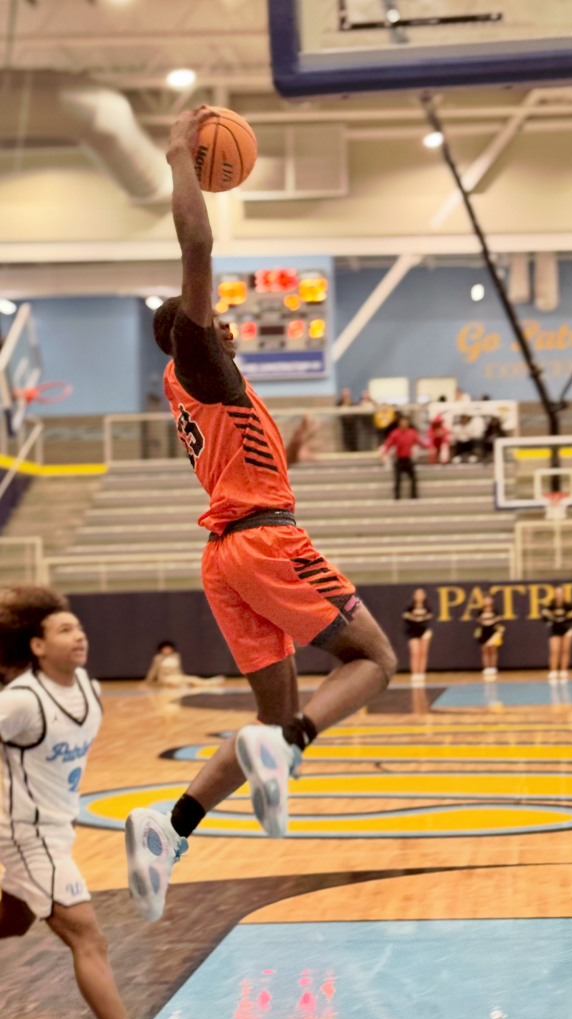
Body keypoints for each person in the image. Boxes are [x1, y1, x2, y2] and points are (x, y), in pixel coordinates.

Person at [125, 107, 397, 924]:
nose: (227, 324)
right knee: (376, 659)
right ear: (193, 333)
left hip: (227, 555)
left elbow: (242, 467)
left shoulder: (206, 394)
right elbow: (197, 247)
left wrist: (292, 457)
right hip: (264, 543)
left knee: (272, 714)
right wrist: (179, 156)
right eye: (214, 319)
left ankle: (169, 825)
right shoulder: (201, 362)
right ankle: (290, 748)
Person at [0, 587, 132, 1019]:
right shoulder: (22, 700)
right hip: (27, 835)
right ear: (37, 646)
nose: (79, 636)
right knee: (89, 938)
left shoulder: (90, 690)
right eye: (63, 630)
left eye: (78, 627)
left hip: (59, 829)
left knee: (14, 920)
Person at [381, 415, 428, 500]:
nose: (404, 424)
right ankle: (397, 497)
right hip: (399, 460)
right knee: (397, 480)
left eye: (405, 422)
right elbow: (388, 444)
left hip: (408, 459)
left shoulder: (412, 433)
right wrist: (384, 452)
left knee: (414, 479)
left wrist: (430, 446)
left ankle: (414, 496)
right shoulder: (395, 433)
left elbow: (421, 443)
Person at [143, 640, 224, 689]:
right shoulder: (158, 658)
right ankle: (190, 685)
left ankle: (207, 682)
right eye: (165, 649)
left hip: (178, 675)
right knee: (177, 682)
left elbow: (179, 669)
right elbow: (153, 669)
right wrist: (148, 681)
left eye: (169, 648)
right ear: (161, 650)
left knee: (191, 678)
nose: (167, 650)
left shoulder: (176, 656)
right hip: (166, 678)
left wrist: (182, 676)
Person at [541, 586, 572, 683]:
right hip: (555, 630)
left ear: (563, 594)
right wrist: (546, 615)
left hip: (567, 630)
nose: (559, 595)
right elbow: (544, 617)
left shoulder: (568, 605)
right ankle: (553, 671)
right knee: (554, 651)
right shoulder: (551, 605)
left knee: (565, 650)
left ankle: (564, 671)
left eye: (561, 593)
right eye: (557, 593)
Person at [402, 589, 432, 686]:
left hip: (424, 632)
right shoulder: (409, 608)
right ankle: (414, 674)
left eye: (421, 594)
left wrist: (428, 631)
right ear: (414, 596)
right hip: (413, 632)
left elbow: (429, 621)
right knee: (415, 652)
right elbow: (407, 620)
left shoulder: (427, 608)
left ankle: (421, 674)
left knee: (423, 653)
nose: (420, 596)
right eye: (418, 594)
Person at [475, 594, 504, 682]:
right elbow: (479, 620)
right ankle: (486, 667)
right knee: (485, 649)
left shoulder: (495, 611)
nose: (487, 601)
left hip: (493, 632)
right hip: (484, 632)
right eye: (486, 599)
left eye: (489, 599)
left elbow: (498, 619)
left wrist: (491, 621)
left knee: (493, 649)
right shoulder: (480, 611)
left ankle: (493, 667)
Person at [336, 387, 358, 452]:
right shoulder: (340, 403)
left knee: (353, 441)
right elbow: (337, 407)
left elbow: (355, 410)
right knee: (346, 441)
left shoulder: (352, 402)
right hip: (345, 426)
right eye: (344, 394)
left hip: (352, 426)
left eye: (347, 394)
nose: (346, 395)